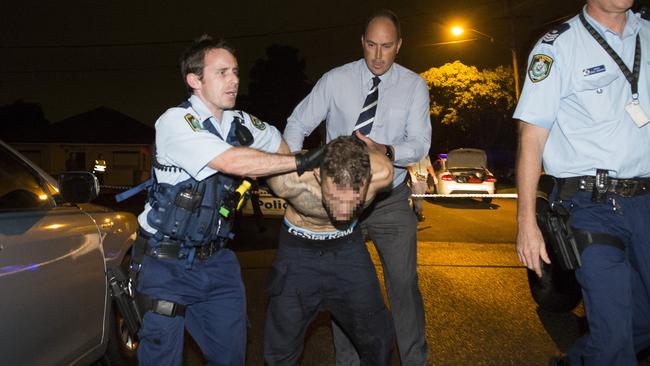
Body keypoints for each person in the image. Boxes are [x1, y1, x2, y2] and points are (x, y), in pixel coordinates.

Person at [134, 35, 322, 366]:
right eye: (222, 72)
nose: (234, 79)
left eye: (235, 71)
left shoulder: (240, 122)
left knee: (231, 357)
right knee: (162, 358)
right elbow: (233, 162)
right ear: (195, 80)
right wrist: (303, 161)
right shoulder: (175, 122)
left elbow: (277, 143)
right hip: (167, 262)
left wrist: (302, 185)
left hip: (217, 261)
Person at [283, 9, 431, 365]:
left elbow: (420, 143)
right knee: (344, 292)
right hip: (342, 207)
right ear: (362, 43)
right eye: (371, 45)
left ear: (399, 45)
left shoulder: (414, 85)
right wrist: (295, 173)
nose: (378, 55)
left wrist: (387, 150)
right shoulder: (336, 80)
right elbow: (297, 122)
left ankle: (414, 361)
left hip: (390, 200)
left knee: (403, 288)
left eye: (386, 46)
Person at [513, 2, 650, 365]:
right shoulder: (557, 46)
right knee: (614, 338)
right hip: (591, 206)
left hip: (647, 202)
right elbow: (532, 137)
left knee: (640, 323)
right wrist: (526, 222)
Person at [263, 134, 395, 365]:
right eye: (335, 198)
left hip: (347, 249)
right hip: (298, 253)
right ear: (317, 174)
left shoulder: (382, 173)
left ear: (368, 179)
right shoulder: (288, 181)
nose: (344, 211)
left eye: (354, 199)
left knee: (378, 339)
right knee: (280, 347)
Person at [407, 154, 434, 221]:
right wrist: (412, 175)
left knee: (420, 197)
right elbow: (408, 165)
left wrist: (434, 176)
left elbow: (429, 166)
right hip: (415, 178)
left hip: (424, 179)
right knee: (418, 196)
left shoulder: (426, 155)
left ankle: (414, 212)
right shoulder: (413, 153)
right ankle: (419, 213)